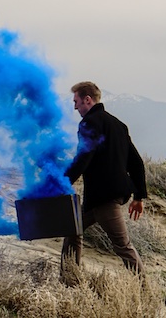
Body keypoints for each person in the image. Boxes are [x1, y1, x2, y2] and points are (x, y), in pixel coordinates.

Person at [62, 81, 147, 277]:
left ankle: (145, 291)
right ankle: (69, 280)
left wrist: (62, 183)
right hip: (98, 199)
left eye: (76, 102)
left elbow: (83, 157)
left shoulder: (89, 123)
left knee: (123, 245)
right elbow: (136, 162)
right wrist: (139, 196)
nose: (75, 107)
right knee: (73, 230)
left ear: (88, 100)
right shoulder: (118, 125)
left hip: (105, 197)